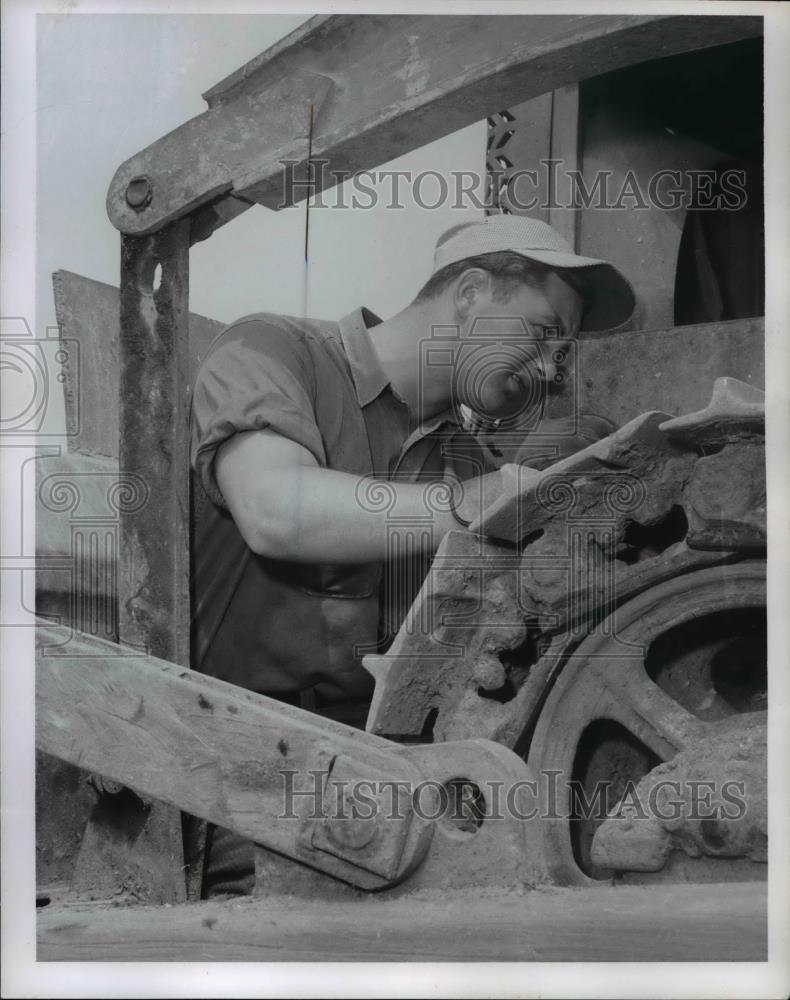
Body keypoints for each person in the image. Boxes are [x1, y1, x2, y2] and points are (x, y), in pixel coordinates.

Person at [188, 213, 635, 894]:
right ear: (471, 291)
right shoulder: (274, 350)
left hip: (373, 789)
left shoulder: (462, 455)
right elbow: (275, 510)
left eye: (562, 350)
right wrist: (468, 506)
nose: (548, 367)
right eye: (543, 331)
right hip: (223, 783)